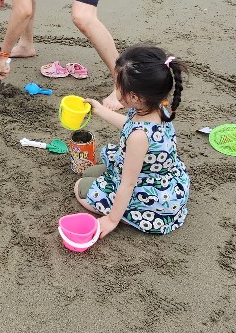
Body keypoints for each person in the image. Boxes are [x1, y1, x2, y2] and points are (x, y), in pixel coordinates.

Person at [73, 46, 189, 237]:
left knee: (81, 189)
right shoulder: (155, 106)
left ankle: (129, 215)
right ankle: (111, 184)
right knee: (89, 173)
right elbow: (129, 125)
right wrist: (100, 110)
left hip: (148, 192)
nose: (116, 89)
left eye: (118, 86)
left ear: (134, 97)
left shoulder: (138, 137)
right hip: (156, 174)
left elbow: (128, 184)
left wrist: (111, 220)